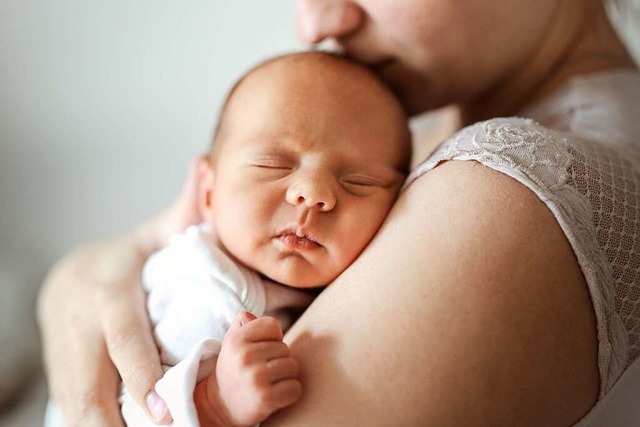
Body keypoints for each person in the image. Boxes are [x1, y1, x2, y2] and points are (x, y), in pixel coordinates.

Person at [38, 0, 640, 425]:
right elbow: (134, 255)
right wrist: (75, 280)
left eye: (357, 182)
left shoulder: (509, 195)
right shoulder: (408, 127)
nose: (316, 21)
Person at [44, 51, 411, 427]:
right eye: (274, 165)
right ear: (207, 192)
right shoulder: (206, 285)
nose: (313, 193)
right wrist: (214, 406)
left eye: (360, 183)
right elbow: (125, 407)